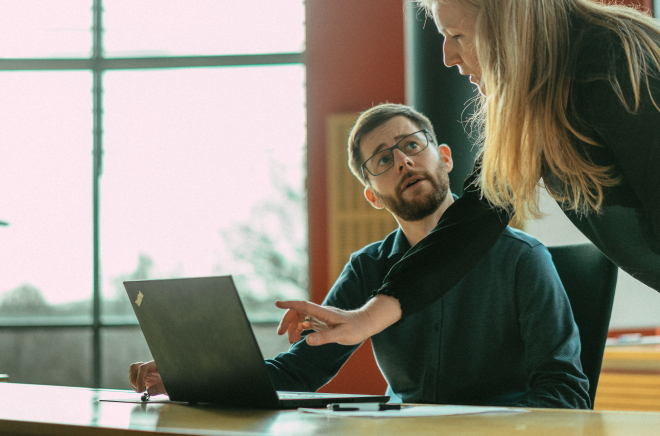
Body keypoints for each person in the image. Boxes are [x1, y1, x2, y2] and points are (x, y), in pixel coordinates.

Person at [277, 0, 660, 413]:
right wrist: (368, 315)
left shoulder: (613, 66)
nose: (447, 56)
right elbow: (471, 223)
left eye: (457, 34)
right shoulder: (543, 95)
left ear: (505, 25)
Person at [132, 102, 591, 408]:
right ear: (372, 195)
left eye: (412, 145)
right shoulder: (367, 268)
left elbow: (565, 392)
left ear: (446, 158)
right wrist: (198, 378)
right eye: (383, 160)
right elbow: (301, 369)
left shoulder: (522, 258)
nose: (404, 161)